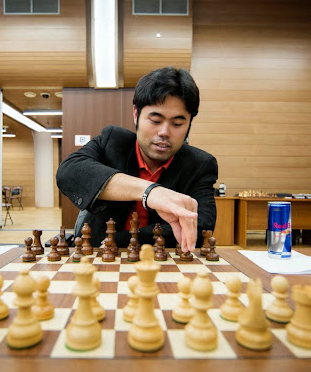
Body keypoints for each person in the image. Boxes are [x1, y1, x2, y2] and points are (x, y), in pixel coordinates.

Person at [56, 67, 218, 252]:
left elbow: (201, 226)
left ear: (189, 123)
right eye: (155, 121)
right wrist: (151, 192)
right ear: (136, 114)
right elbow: (69, 172)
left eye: (177, 124)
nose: (164, 132)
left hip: (159, 262)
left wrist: (118, 240)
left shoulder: (200, 164)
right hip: (98, 259)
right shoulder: (112, 142)